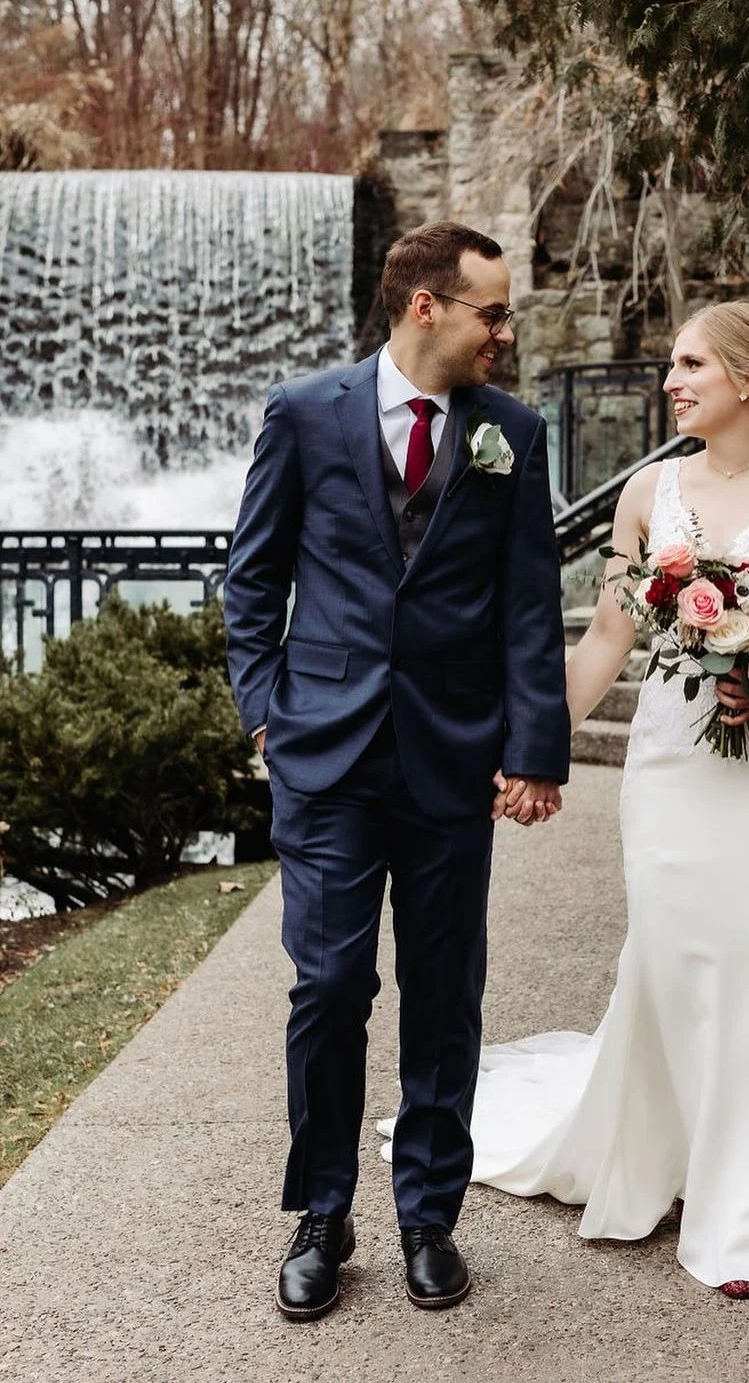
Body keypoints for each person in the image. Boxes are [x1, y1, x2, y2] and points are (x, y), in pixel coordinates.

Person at [428, 301, 749, 1298]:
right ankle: (684, 1155)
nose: (671, 379)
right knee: (675, 948)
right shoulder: (647, 494)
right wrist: (526, 746)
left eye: (691, 363)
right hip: (673, 760)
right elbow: (606, 640)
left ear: (748, 377)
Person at [223, 221, 571, 1320]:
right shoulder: (305, 414)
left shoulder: (511, 433)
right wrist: (265, 717)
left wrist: (534, 748)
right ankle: (323, 1212)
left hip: (450, 758)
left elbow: (528, 604)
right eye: (493, 312)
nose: (505, 333)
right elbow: (251, 581)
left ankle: (430, 1213)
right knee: (327, 988)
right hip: (324, 754)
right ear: (426, 306)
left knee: (445, 994)